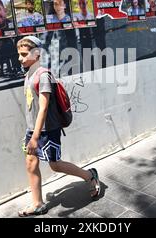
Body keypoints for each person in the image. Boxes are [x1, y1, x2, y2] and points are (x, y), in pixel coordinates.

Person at [16, 36, 101, 217]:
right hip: (33, 129)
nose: (20, 58)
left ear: (37, 54)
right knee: (31, 163)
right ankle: (38, 204)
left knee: (55, 165)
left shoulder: (43, 76)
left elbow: (44, 109)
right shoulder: (28, 74)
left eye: (24, 54)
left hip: (46, 131)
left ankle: (89, 176)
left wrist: (35, 137)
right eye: (19, 54)